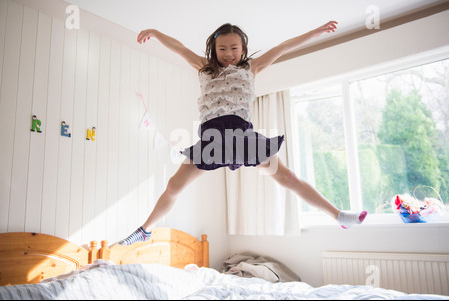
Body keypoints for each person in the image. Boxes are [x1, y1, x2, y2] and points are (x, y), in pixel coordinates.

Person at [119, 21, 367, 245]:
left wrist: (316, 31)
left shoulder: (252, 68)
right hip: (212, 140)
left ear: (243, 49)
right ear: (214, 50)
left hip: (242, 138)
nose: (228, 54)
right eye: (222, 49)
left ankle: (339, 215)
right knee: (173, 185)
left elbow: (283, 46)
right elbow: (179, 46)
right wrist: (155, 32)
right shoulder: (205, 68)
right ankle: (145, 230)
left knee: (288, 178)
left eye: (234, 48)